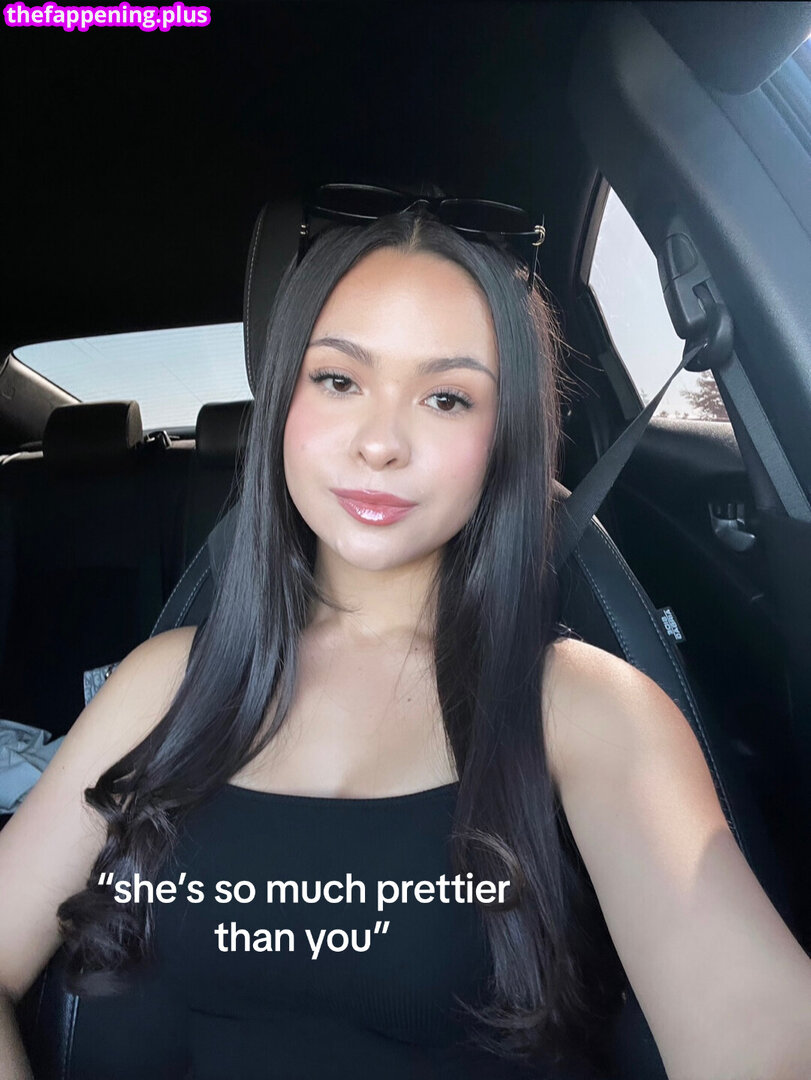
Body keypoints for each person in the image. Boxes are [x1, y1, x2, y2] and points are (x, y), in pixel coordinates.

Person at [1, 185, 810, 1080]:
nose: (381, 442)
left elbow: (762, 1040)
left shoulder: (587, 710)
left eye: (447, 398)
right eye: (339, 380)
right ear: (283, 403)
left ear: (504, 436)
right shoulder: (163, 683)